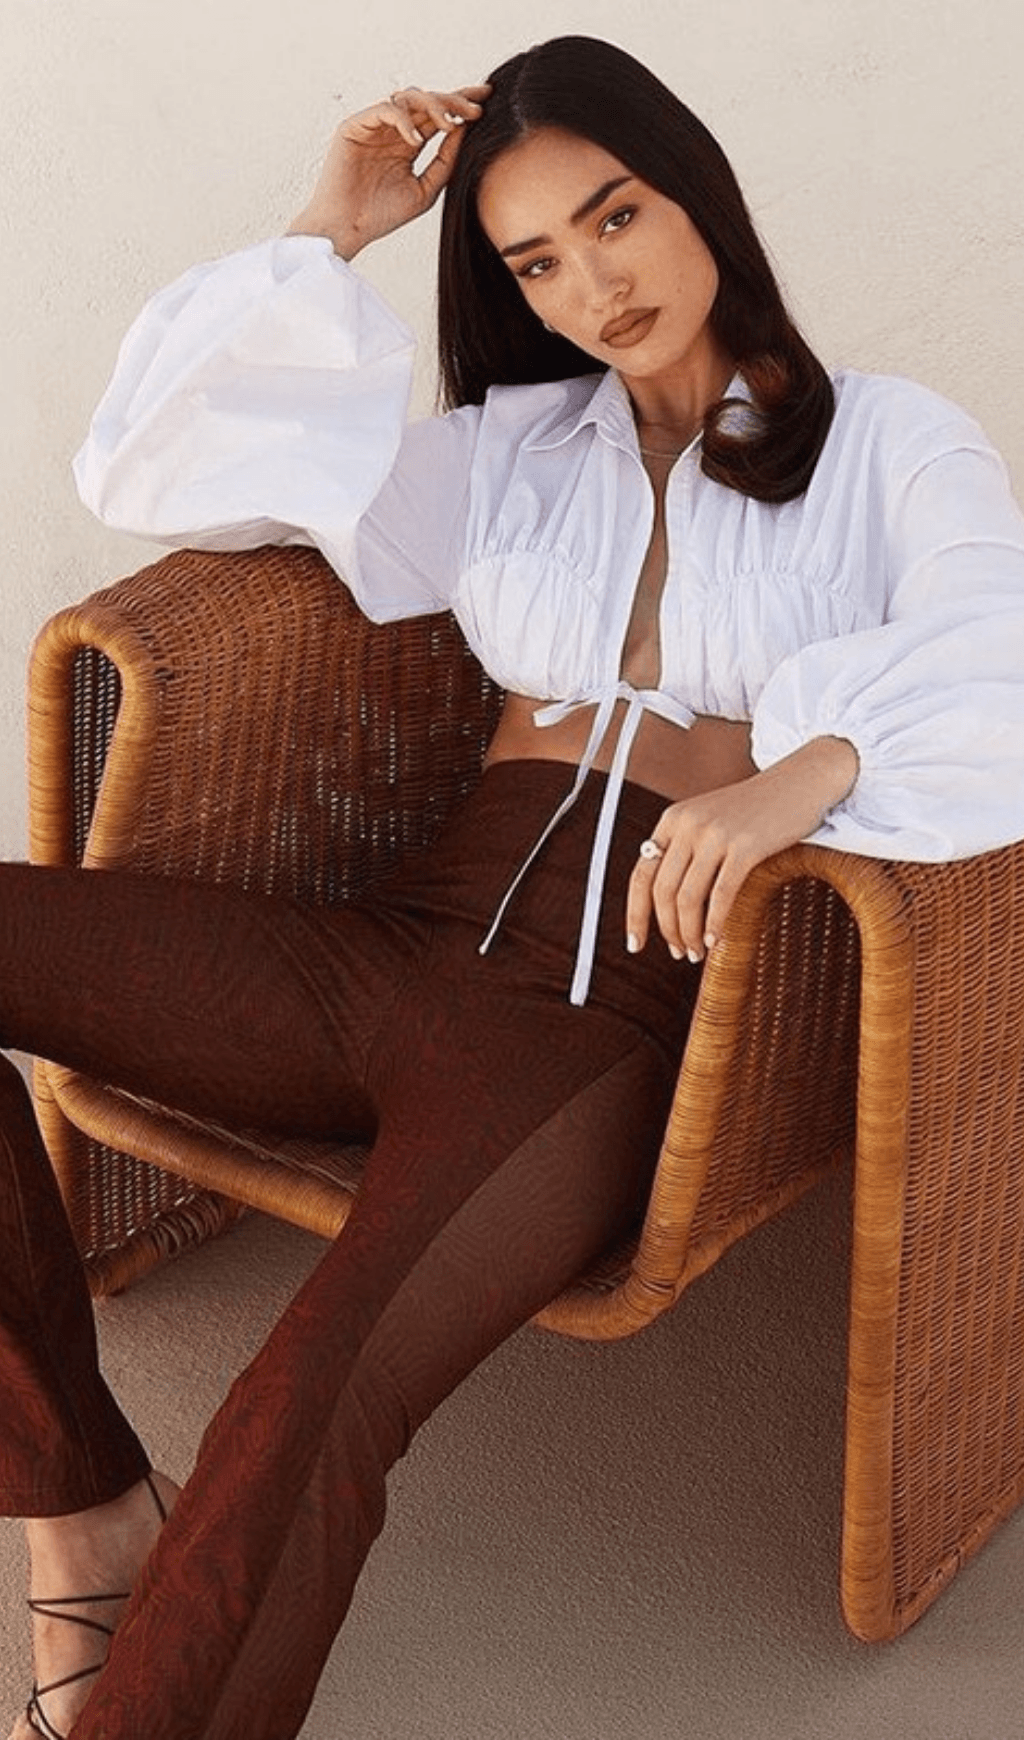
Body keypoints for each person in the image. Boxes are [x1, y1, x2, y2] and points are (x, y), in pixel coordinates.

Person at [6, 31, 1024, 1740]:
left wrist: (804, 776)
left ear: (695, 193)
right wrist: (329, 232)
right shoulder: (509, 453)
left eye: (614, 218)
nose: (593, 286)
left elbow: (1003, 650)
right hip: (395, 949)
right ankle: (81, 1498)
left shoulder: (889, 445)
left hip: (594, 1023)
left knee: (313, 1389)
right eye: (537, 261)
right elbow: (157, 475)